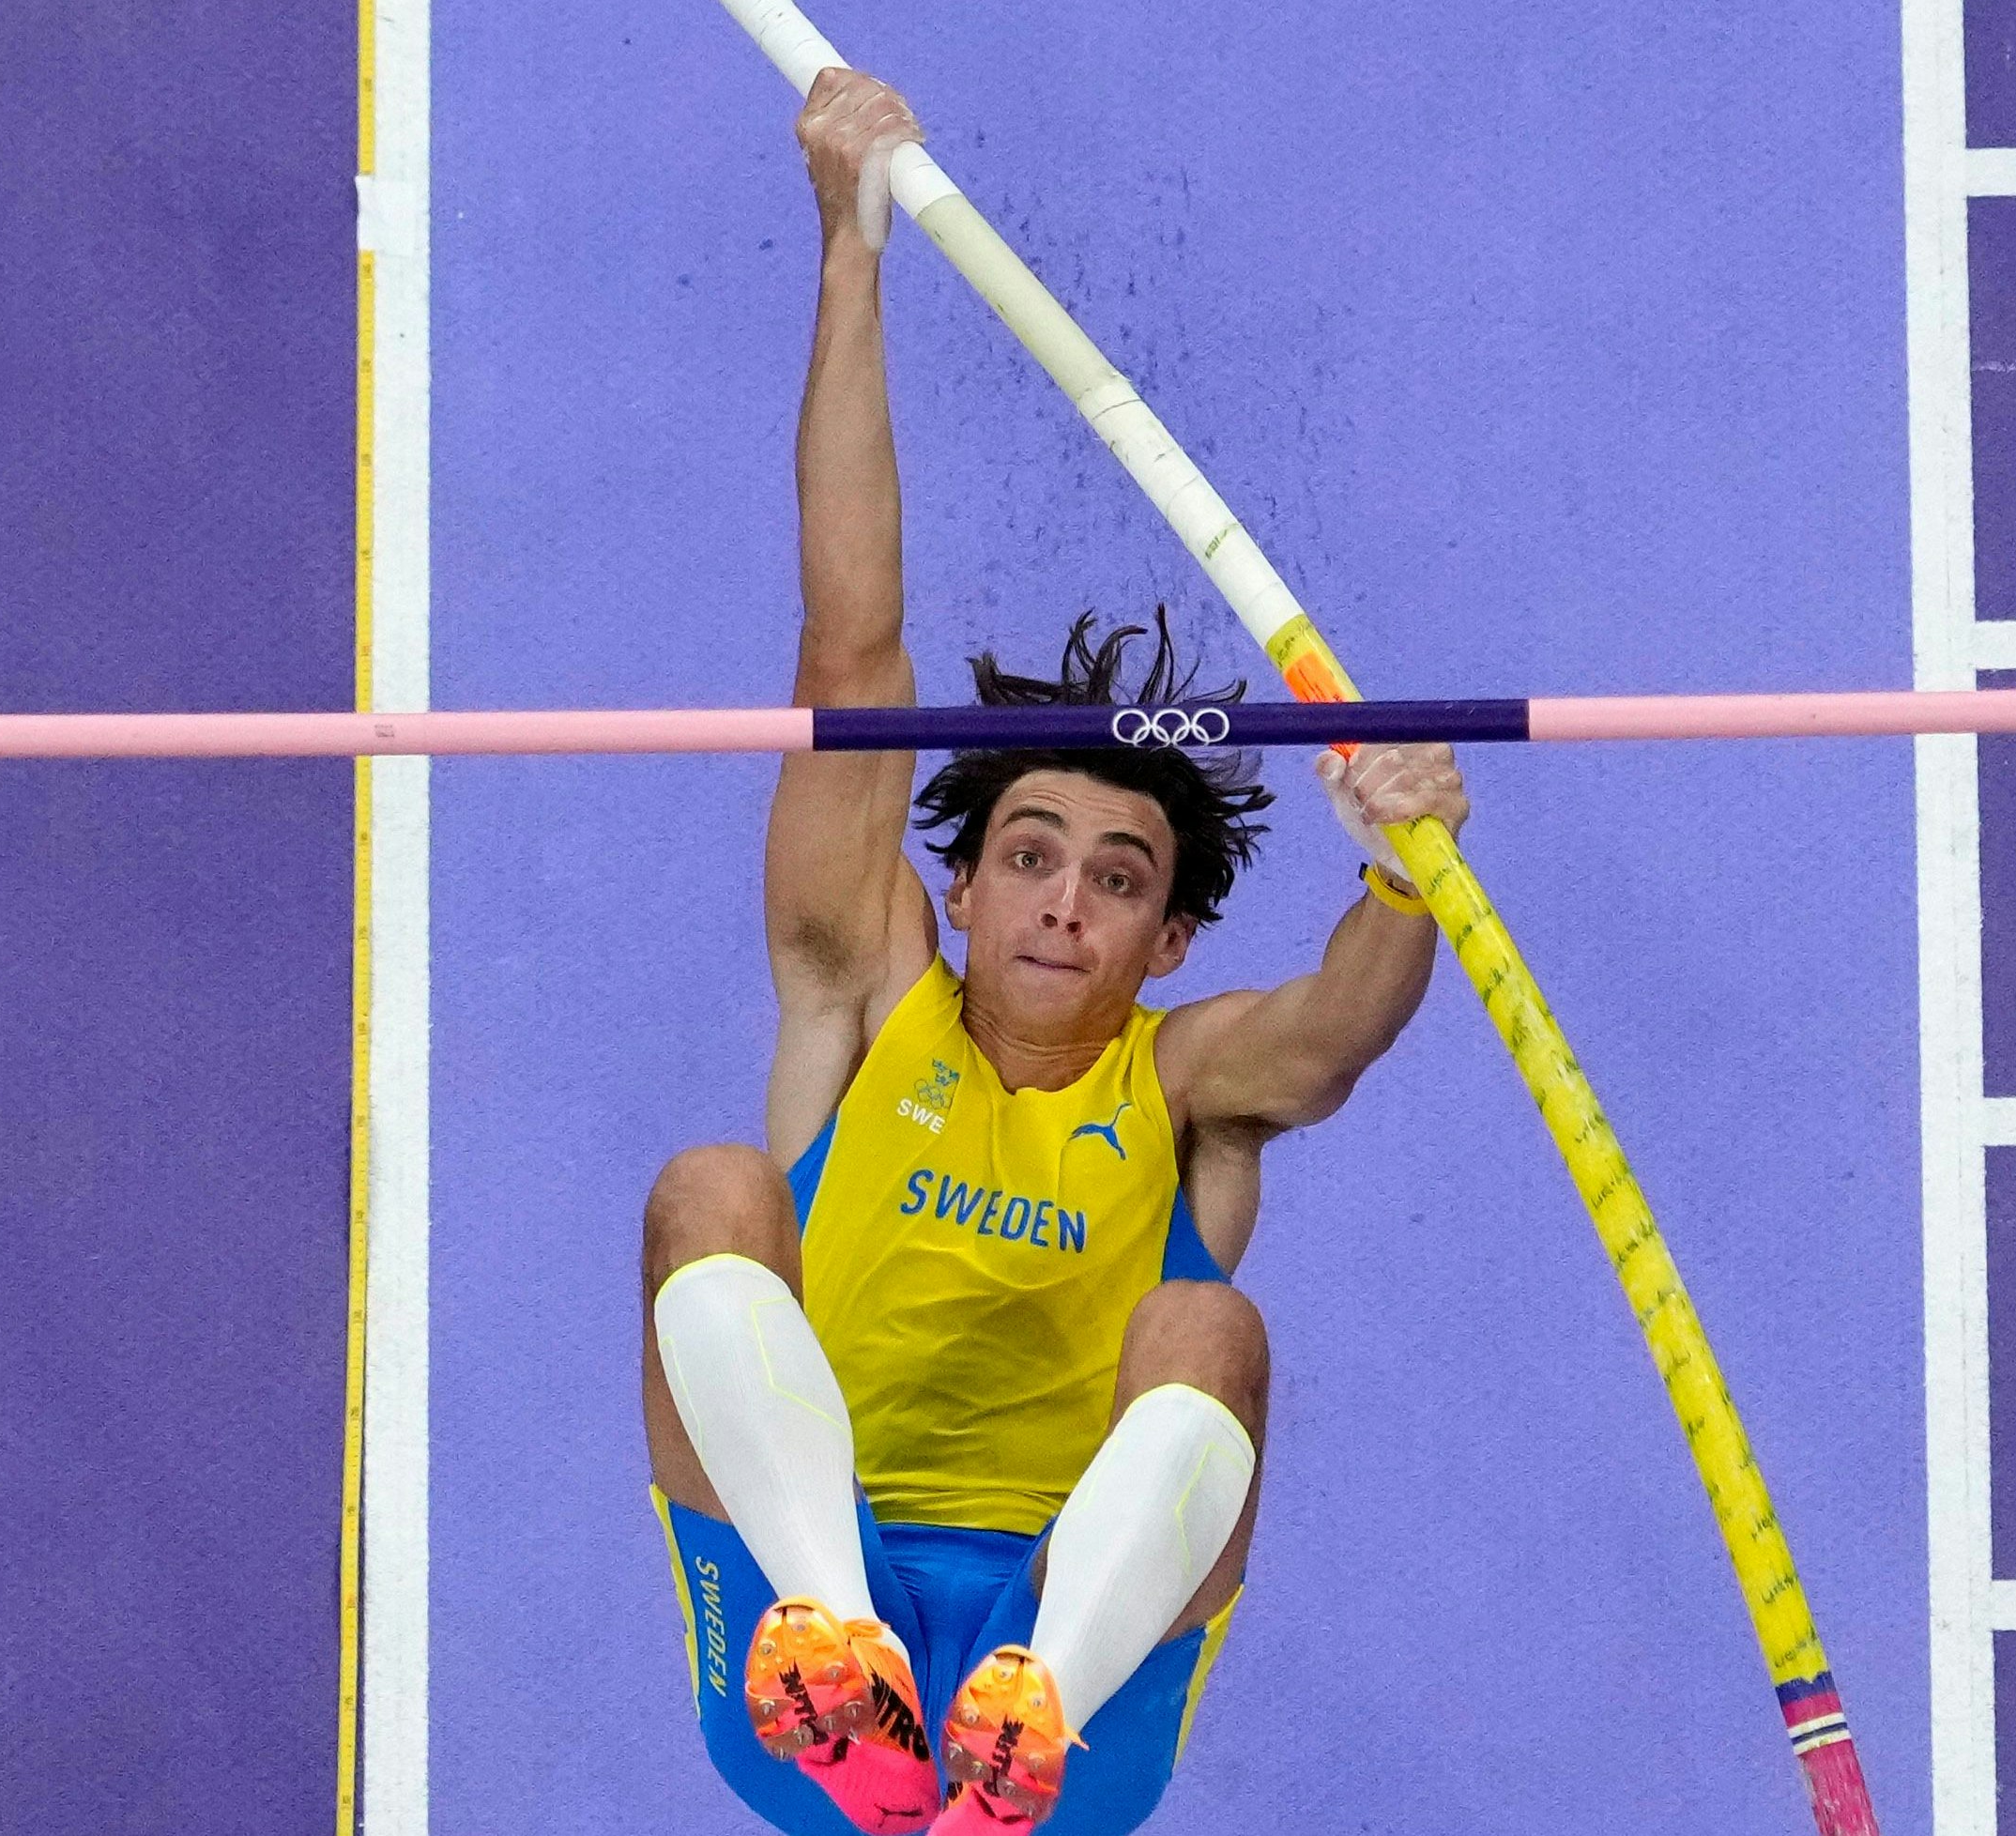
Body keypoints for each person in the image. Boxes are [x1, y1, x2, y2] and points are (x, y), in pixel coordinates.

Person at [645, 68, 1469, 1836]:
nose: (1059, 901)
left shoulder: (1186, 1086)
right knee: (713, 1192)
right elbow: (848, 640)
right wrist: (846, 250)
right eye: (1025, 857)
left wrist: (1403, 872)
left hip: (1073, 1693)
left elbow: (1333, 1034)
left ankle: (1026, 1708)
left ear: (1168, 934)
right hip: (806, 1667)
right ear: (955, 891)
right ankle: (832, 1634)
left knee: (1208, 1325)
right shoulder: (857, 998)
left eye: (1114, 877)